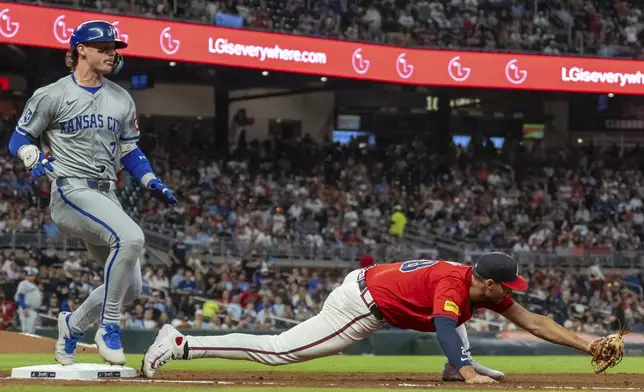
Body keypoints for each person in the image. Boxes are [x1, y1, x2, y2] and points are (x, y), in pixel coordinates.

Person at [142, 253, 596, 383]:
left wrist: (588, 345)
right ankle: (182, 343)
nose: (511, 295)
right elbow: (442, 322)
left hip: (373, 284)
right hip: (360, 305)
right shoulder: (454, 285)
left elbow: (534, 321)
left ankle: (453, 369)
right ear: (492, 283)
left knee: (457, 315)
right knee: (280, 351)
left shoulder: (475, 285)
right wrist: (467, 367)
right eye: (508, 287)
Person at [8, 20, 177, 365]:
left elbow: (130, 151)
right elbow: (19, 137)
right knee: (131, 238)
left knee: (131, 289)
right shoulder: (52, 94)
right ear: (80, 50)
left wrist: (150, 181)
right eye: (104, 48)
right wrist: (30, 155)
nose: (111, 54)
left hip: (105, 195)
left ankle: (72, 326)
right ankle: (108, 327)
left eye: (113, 49)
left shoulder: (121, 98)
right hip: (71, 189)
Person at [14, 267, 42, 334]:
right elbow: (21, 295)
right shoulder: (24, 283)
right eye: (28, 275)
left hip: (33, 310)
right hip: (27, 309)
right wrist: (24, 308)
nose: (30, 277)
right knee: (26, 331)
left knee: (31, 332)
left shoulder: (34, 285)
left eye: (32, 275)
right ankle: (22, 344)